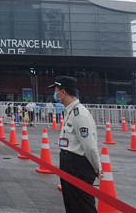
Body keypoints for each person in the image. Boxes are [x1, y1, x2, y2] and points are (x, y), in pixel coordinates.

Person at [49, 76, 102, 213]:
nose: (55, 94)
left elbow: (90, 146)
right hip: (68, 162)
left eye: (55, 91)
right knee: (71, 205)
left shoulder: (80, 114)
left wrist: (97, 168)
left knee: (83, 206)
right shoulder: (69, 111)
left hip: (78, 166)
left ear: (63, 92)